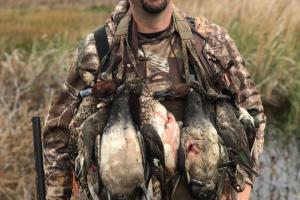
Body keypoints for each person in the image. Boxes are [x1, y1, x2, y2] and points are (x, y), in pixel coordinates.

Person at [43, 0, 266, 199]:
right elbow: (58, 134)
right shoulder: (97, 49)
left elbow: (252, 114)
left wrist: (243, 188)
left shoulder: (211, 41)